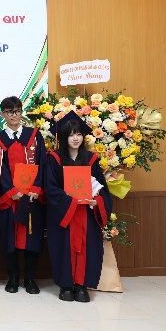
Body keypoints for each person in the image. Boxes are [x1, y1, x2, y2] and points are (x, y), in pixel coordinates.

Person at [45, 111, 112, 303]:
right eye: (71, 134)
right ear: (63, 137)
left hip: (86, 214)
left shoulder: (91, 159)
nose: (75, 138)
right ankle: (66, 285)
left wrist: (97, 201)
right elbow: (50, 188)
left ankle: (82, 285)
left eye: (79, 134)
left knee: (87, 248)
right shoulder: (54, 159)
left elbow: (102, 189)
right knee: (63, 248)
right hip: (65, 214)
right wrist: (70, 200)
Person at [0, 96, 47, 295]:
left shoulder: (34, 136)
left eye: (16, 111)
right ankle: (13, 277)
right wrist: (11, 191)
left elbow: (42, 164)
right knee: (10, 239)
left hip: (32, 197)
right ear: (2, 114)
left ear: (21, 112)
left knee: (32, 239)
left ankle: (30, 278)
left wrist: (36, 189)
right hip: (11, 199)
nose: (13, 115)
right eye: (9, 111)